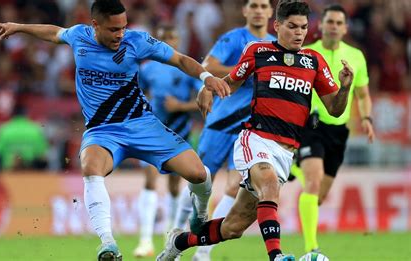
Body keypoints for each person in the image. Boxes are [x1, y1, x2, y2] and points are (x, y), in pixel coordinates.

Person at [0, 0, 230, 260]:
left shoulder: (136, 41)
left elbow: (181, 60)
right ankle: (108, 244)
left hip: (143, 124)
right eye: (114, 29)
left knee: (199, 174)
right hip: (103, 130)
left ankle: (200, 212)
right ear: (95, 25)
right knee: (90, 166)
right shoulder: (79, 36)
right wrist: (19, 27)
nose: (120, 34)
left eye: (123, 28)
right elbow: (54, 32)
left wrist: (208, 78)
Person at [156, 1, 354, 261]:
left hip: (286, 152)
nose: (299, 33)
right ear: (278, 25)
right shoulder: (258, 51)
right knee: (268, 184)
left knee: (233, 227)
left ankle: (179, 242)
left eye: (304, 28)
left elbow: (335, 109)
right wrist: (208, 88)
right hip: (256, 139)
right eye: (292, 26)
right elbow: (231, 82)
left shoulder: (313, 61)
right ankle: (277, 256)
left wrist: (345, 88)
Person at [171, 0, 276, 259]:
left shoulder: (276, 44)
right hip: (221, 122)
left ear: (271, 12)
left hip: (249, 130)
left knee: (234, 187)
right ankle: (173, 234)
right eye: (254, 5)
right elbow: (207, 67)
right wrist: (245, 69)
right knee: (199, 180)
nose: (259, 10)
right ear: (245, 10)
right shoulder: (234, 39)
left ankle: (203, 252)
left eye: (264, 6)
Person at [291, 4, 375, 255]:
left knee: (318, 195)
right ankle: (312, 249)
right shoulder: (306, 54)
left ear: (345, 28)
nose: (334, 27)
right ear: (322, 25)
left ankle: (295, 166)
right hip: (312, 123)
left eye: (339, 23)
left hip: (339, 129)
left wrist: (367, 118)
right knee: (313, 183)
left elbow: (363, 94)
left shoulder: (356, 56)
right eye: (330, 22)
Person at [134, 25, 202, 258]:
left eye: (172, 36)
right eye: (163, 38)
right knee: (150, 179)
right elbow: (136, 93)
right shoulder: (147, 69)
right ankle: (144, 240)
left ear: (178, 39)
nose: (168, 41)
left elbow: (203, 100)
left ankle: (169, 235)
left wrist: (181, 106)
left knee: (174, 186)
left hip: (179, 132)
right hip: (154, 131)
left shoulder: (186, 68)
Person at [0, 104, 49, 171]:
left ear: (12, 115)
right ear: (26, 114)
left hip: (9, 172)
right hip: (30, 171)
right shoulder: (35, 129)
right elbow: (42, 152)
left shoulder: (4, 129)